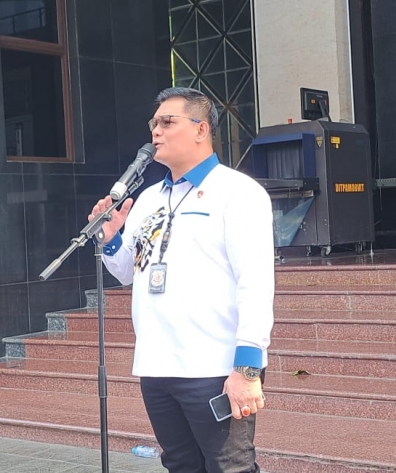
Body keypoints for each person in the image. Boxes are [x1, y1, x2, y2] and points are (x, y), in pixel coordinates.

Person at [88, 87, 275, 473]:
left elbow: (255, 283)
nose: (155, 131)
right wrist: (111, 239)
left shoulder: (238, 192)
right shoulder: (148, 199)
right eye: (153, 123)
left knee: (230, 467)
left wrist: (247, 369)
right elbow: (126, 272)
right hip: (157, 365)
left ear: (200, 129)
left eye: (167, 122)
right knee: (179, 464)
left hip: (213, 366)